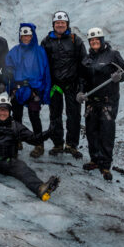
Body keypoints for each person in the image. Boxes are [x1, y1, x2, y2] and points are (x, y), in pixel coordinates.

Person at [77, 27, 124, 181]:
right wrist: (80, 92)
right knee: (91, 131)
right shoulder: (87, 59)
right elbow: (82, 79)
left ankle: (105, 165)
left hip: (108, 101)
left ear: (101, 40)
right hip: (91, 101)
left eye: (96, 40)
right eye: (91, 40)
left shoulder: (113, 55)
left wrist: (118, 77)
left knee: (106, 132)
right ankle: (95, 159)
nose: (94, 42)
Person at [41, 11, 87, 159]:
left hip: (72, 84)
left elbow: (83, 64)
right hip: (55, 85)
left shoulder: (75, 40)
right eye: (57, 23)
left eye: (63, 23)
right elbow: (42, 64)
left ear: (67, 24)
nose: (60, 25)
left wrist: (81, 87)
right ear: (53, 24)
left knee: (73, 115)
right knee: (55, 115)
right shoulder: (46, 41)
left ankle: (71, 145)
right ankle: (58, 144)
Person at [4, 23, 51, 158]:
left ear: (32, 35)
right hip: (17, 88)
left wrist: (43, 91)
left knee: (34, 116)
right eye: (23, 35)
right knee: (17, 115)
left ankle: (39, 143)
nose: (26, 38)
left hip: (34, 89)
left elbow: (45, 71)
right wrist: (8, 74)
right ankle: (17, 140)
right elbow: (8, 66)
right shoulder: (14, 51)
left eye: (28, 35)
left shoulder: (40, 51)